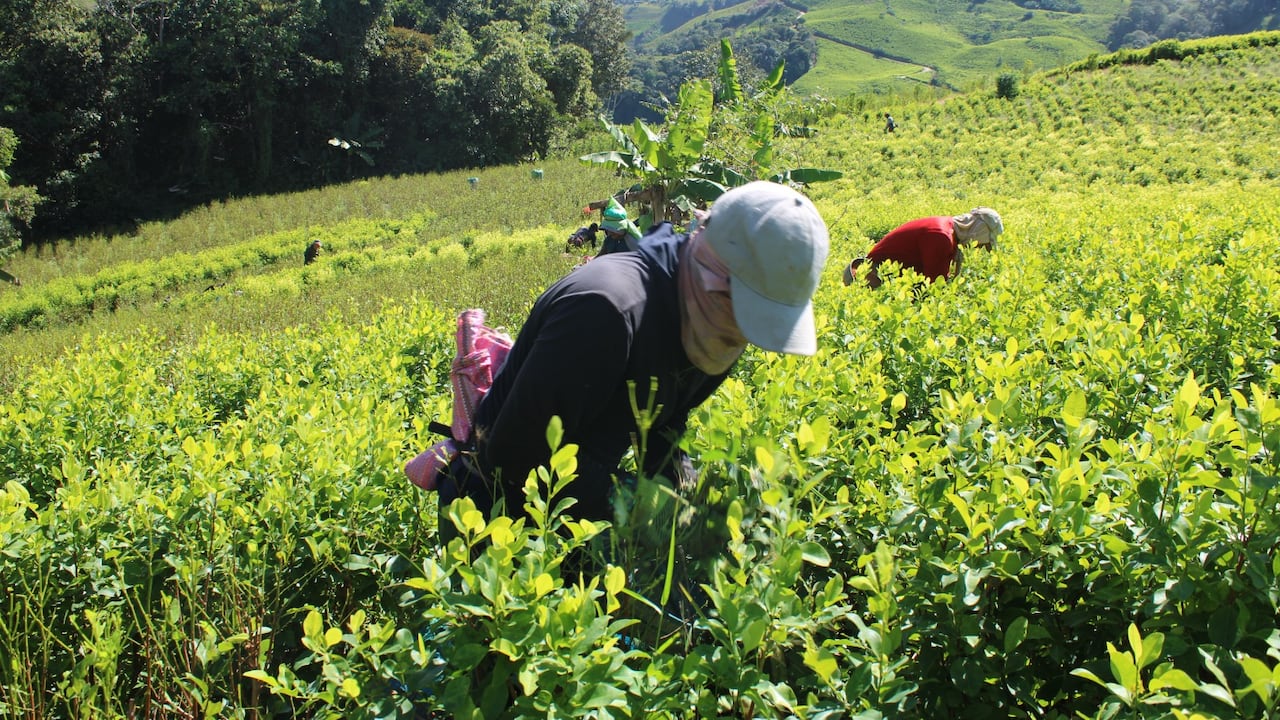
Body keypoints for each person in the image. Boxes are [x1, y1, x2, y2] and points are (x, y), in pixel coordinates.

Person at [435, 181, 830, 533]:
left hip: (578, 504)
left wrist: (687, 497)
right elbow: (515, 456)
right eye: (743, 312)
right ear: (716, 274)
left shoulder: (710, 325)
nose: (743, 335)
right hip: (493, 521)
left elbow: (662, 425)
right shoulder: (605, 310)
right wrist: (637, 505)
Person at [843, 207, 1003, 289]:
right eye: (984, 243)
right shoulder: (941, 236)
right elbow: (935, 286)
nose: (980, 248)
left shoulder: (948, 231)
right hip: (870, 278)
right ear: (979, 232)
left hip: (887, 278)